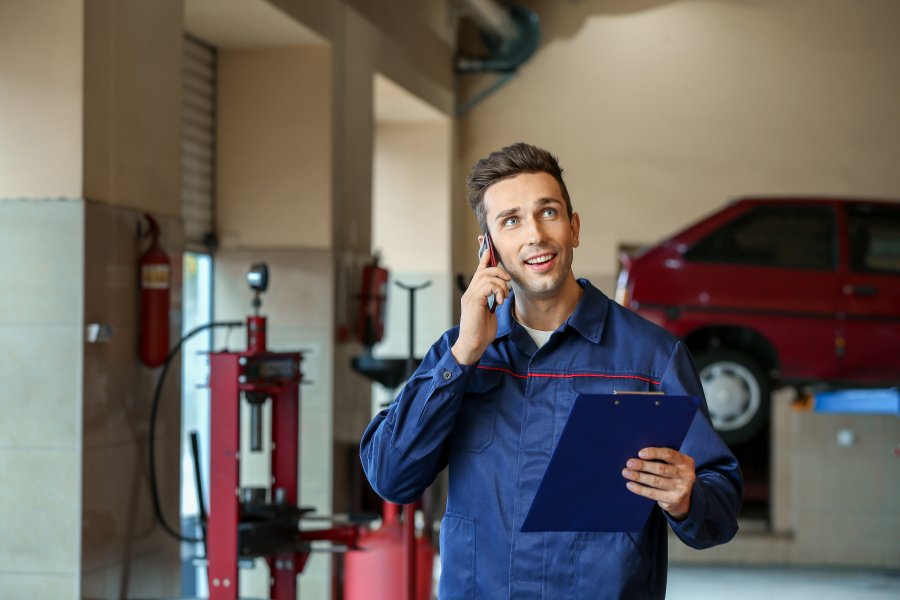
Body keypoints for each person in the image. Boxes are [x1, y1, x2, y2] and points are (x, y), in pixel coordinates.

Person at [360, 143, 742, 599]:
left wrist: (687, 497)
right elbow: (390, 476)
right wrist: (463, 356)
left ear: (574, 227)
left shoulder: (651, 358)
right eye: (511, 221)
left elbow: (719, 509)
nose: (535, 236)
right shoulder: (460, 355)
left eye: (548, 213)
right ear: (489, 249)